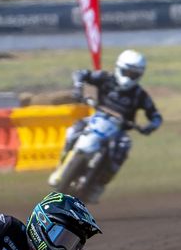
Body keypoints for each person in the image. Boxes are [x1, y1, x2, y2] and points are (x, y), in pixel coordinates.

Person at [48, 49, 163, 202]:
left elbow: (156, 115)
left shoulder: (139, 94)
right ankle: (61, 166)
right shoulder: (105, 78)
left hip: (119, 129)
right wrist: (78, 87)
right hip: (97, 118)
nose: (129, 78)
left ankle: (99, 185)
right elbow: (80, 73)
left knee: (123, 147)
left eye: (133, 75)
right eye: (127, 72)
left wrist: (150, 126)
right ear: (119, 68)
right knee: (73, 130)